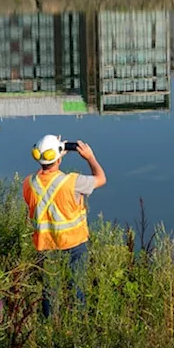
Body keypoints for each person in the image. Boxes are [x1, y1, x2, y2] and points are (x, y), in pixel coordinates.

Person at [22, 134, 106, 317]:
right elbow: (101, 178)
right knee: (77, 288)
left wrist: (56, 155)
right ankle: (76, 327)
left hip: (46, 246)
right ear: (58, 157)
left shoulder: (28, 183)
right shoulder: (73, 182)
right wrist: (90, 157)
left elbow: (46, 184)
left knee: (49, 292)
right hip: (74, 244)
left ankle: (50, 328)